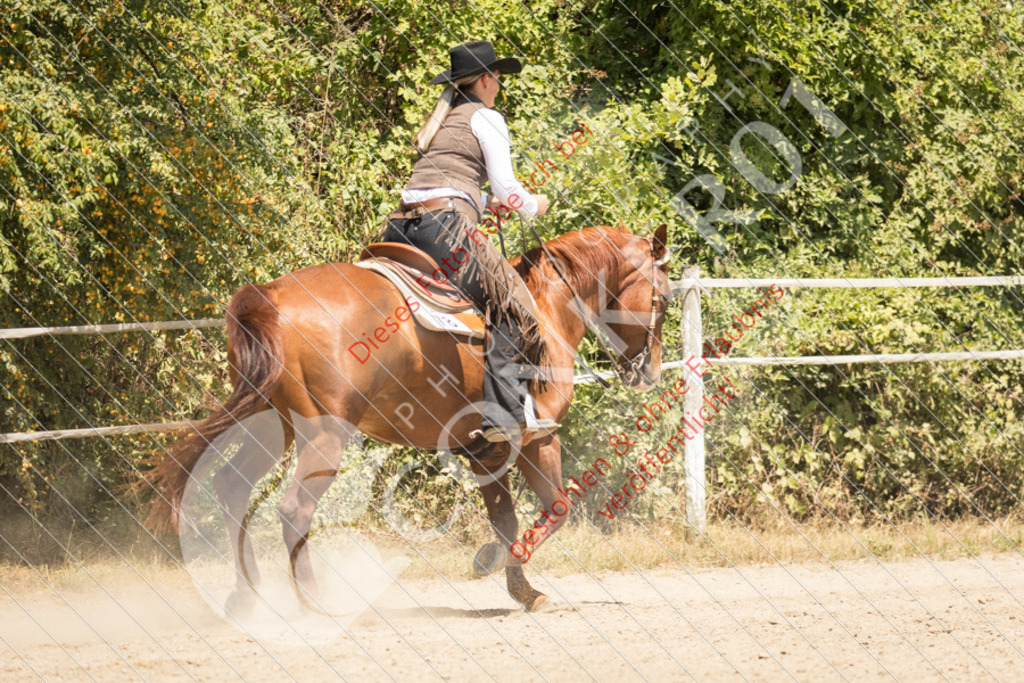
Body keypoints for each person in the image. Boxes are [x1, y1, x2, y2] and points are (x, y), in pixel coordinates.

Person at [380, 40, 552, 444]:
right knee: (515, 304)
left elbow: (443, 181)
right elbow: (510, 189)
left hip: (401, 229)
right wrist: (533, 205)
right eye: (499, 78)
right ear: (487, 80)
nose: (499, 86)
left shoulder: (446, 117)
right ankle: (504, 419)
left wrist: (483, 201)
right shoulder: (487, 118)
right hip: (445, 230)